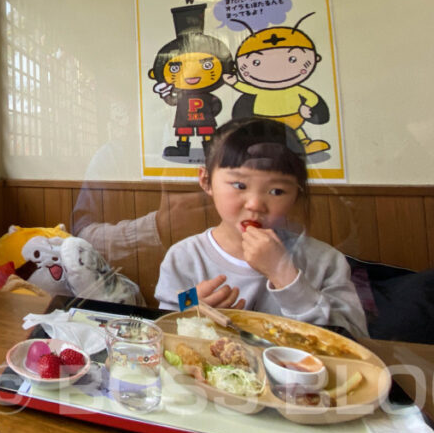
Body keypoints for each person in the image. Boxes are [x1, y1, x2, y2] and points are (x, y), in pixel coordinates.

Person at [154, 117, 368, 337]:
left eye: (276, 191)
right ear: (206, 181)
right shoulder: (184, 256)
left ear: (297, 193)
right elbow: (165, 316)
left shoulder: (324, 262)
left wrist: (285, 275)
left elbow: (353, 338)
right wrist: (190, 309)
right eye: (239, 185)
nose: (255, 204)